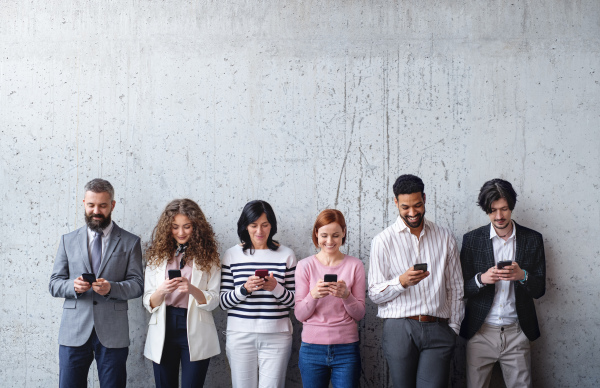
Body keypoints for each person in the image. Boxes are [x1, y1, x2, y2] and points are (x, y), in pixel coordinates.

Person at [368, 174, 464, 388]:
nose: (412, 213)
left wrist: (454, 328)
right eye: (405, 207)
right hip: (399, 327)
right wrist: (401, 282)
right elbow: (374, 293)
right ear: (395, 203)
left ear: (425, 199)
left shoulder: (445, 237)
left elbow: (456, 287)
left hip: (438, 328)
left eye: (417, 205)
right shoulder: (382, 241)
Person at [49, 178, 144, 388]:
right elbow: (54, 283)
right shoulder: (68, 240)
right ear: (84, 203)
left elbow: (138, 285)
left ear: (112, 205)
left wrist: (112, 288)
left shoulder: (130, 242)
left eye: (102, 205)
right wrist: (73, 287)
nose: (96, 211)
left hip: (113, 332)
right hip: (74, 331)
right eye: (91, 205)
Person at [460, 179, 546, 388]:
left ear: (511, 207)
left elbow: (540, 290)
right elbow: (460, 288)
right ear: (486, 210)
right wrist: (481, 280)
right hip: (480, 331)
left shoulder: (532, 239)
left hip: (517, 331)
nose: (499, 216)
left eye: (504, 209)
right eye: (493, 211)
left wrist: (522, 275)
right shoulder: (472, 240)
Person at [143, 199, 221, 388]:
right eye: (175, 227)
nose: (181, 232)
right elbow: (148, 302)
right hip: (164, 325)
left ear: (197, 226)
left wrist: (193, 290)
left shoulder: (209, 257)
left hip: (195, 326)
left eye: (187, 227)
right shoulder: (156, 256)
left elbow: (215, 300)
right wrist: (161, 291)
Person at [219, 200, 296, 388]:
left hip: (277, 335)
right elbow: (222, 302)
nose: (259, 231)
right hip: (240, 335)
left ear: (272, 226)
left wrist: (275, 288)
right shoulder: (231, 255)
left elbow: (296, 302)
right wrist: (244, 289)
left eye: (265, 225)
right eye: (254, 225)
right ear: (246, 226)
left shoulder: (286, 255)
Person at [295, 209, 366, 388]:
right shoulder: (305, 266)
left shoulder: (355, 265)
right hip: (311, 349)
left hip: (346, 349)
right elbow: (299, 315)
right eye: (324, 235)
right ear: (316, 234)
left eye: (335, 235)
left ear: (343, 233)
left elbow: (359, 314)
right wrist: (314, 295)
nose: (329, 241)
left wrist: (346, 296)